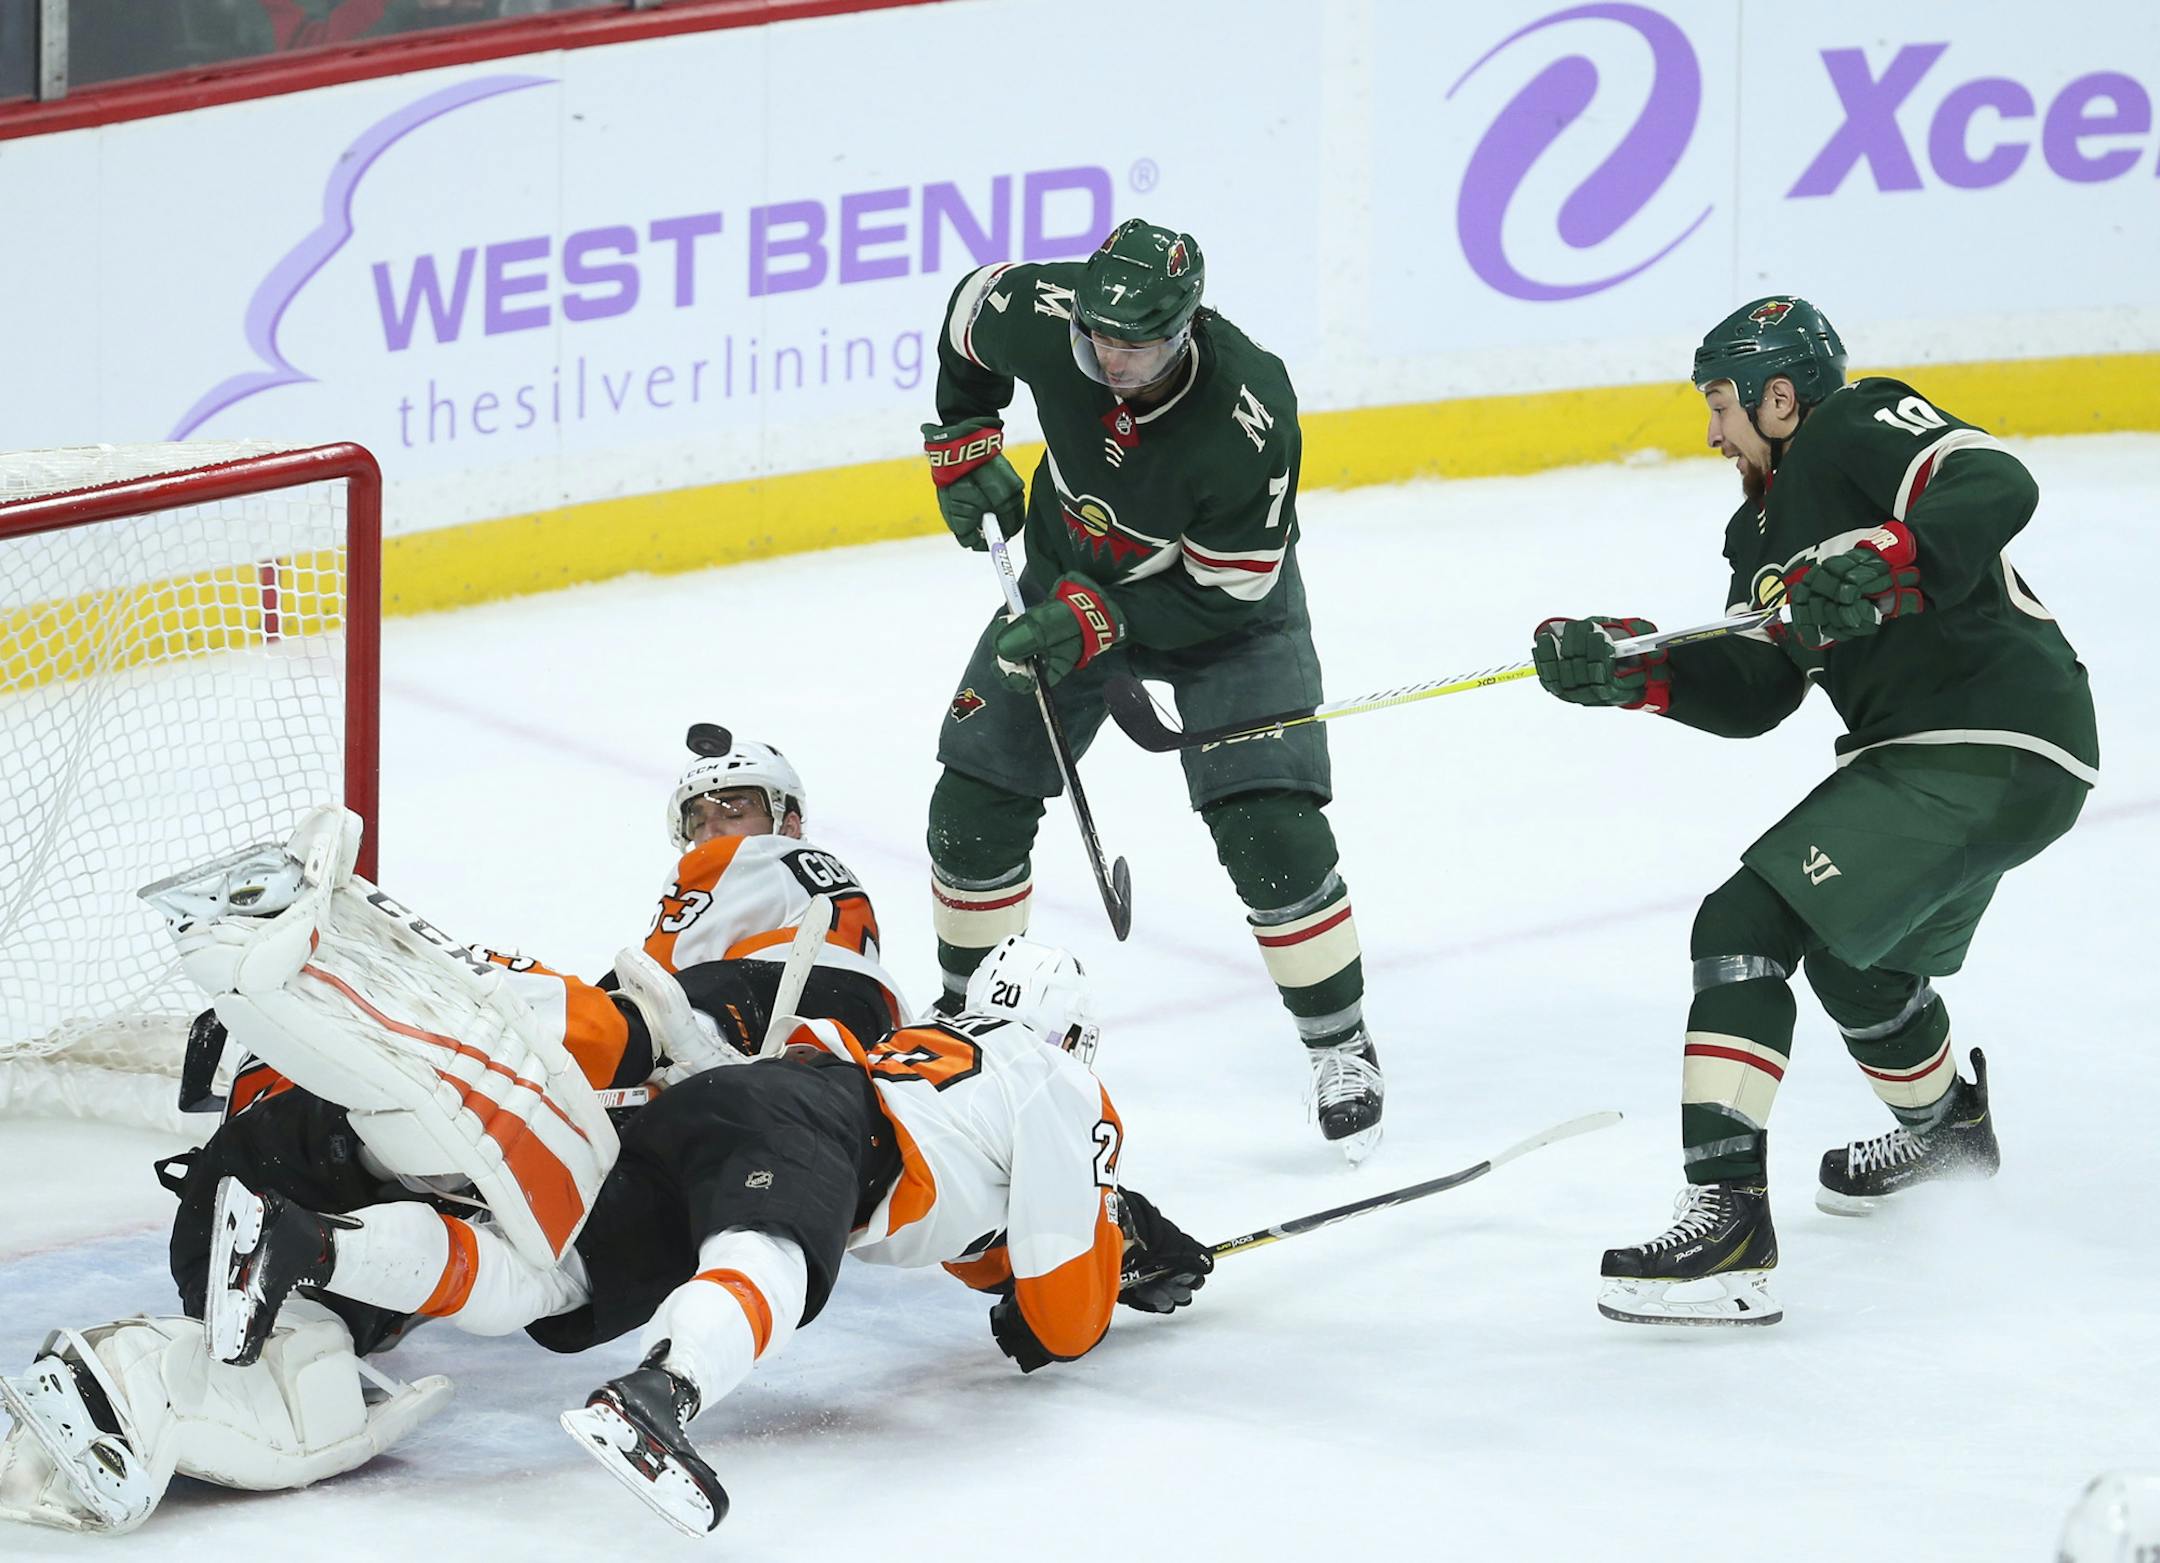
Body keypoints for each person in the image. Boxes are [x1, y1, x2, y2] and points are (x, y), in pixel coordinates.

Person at [200, 935, 1212, 1537]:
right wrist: (1107, 1251)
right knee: (771, 1253)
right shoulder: (1065, 1080)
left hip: (742, 1103)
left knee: (553, 1281)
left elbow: (958, 1231)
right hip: (821, 1126)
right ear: (1077, 1035)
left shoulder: (953, 1052)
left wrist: (1076, 1252)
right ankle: (658, 1398)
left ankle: (303, 1242)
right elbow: (1064, 1322)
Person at [1530, 297, 2097, 1326]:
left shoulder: (1855, 424)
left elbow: (1994, 480)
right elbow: (1757, 691)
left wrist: (1893, 557)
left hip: (1985, 733)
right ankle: (1944, 1135)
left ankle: (1727, 1228)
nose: (1711, 432)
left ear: (1778, 397)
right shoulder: (1756, 528)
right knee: (1855, 960)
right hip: (1977, 754)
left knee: (1741, 927)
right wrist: (1635, 672)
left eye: (1721, 405)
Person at [165, 728, 906, 1359]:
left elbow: (639, 1009)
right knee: (541, 1244)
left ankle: (337, 969)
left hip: (763, 1020)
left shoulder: (770, 863)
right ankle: (333, 1281)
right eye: (699, 818)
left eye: (734, 808)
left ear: (790, 817)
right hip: (775, 1082)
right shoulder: (822, 926)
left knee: (565, 1040)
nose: (713, 832)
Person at [920, 217, 1382, 1160]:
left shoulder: (1249, 413)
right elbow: (968, 315)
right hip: (1066, 573)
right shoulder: (1056, 316)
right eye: (1097, 335)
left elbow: (1228, 592)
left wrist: (1099, 621)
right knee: (973, 798)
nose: (1109, 357)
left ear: (1185, 328)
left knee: (1272, 830)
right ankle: (965, 1021)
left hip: (1225, 619)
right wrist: (966, 440)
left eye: (1133, 344)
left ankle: (1342, 1043)